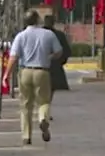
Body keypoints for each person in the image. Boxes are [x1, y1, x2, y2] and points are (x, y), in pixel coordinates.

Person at [6, 11, 63, 145]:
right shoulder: (48, 34)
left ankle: (26, 136)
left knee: (25, 105)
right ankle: (43, 118)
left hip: (25, 71)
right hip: (42, 71)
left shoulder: (21, 36)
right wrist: (50, 57)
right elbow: (59, 51)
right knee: (43, 101)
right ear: (38, 20)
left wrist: (6, 74)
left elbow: (13, 57)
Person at [43, 11, 72, 100]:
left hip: (41, 65)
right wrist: (61, 61)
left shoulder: (39, 34)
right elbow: (66, 51)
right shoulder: (59, 35)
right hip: (55, 67)